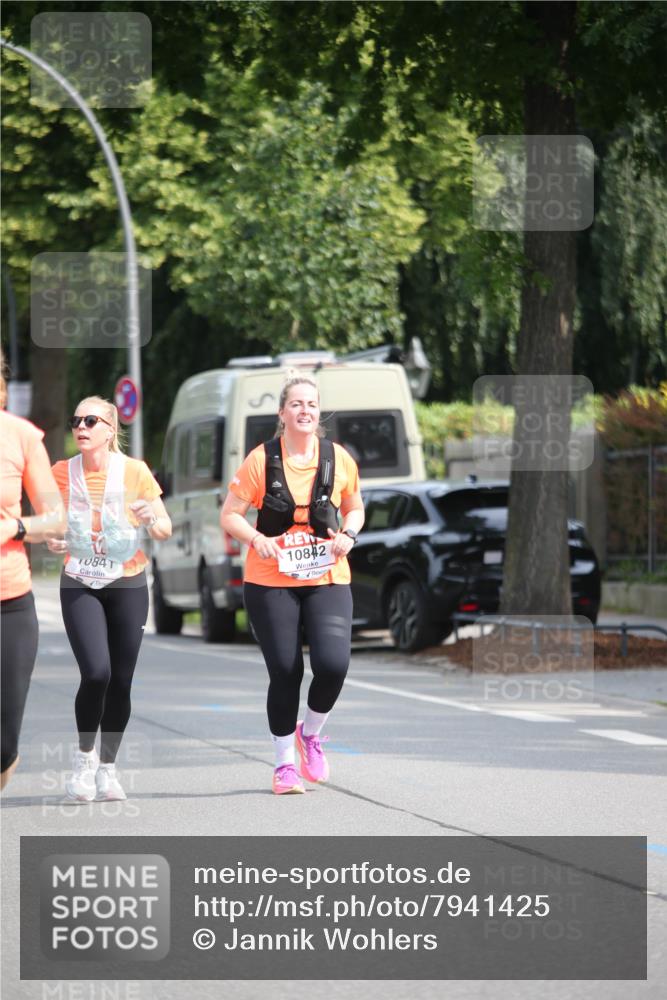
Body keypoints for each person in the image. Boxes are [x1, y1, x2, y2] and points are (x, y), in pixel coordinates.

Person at [221, 372, 364, 795]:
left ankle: (310, 733)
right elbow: (230, 515)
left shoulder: (338, 458)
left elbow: (355, 508)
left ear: (319, 413)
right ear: (282, 413)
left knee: (334, 665)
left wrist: (348, 535)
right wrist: (257, 540)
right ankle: (284, 765)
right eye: (296, 404)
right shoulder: (260, 460)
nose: (305, 411)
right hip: (271, 580)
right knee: (286, 671)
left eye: (312, 404)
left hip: (327, 576)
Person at [47, 396, 171, 802]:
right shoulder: (61, 473)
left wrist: (151, 517)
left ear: (110, 429)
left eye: (90, 421)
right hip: (80, 580)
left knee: (121, 679)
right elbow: (47, 524)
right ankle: (84, 761)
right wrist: (51, 539)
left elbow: (164, 527)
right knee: (96, 672)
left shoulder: (135, 471)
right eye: (76, 421)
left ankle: (108, 769)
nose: (81, 427)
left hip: (127, 582)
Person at [1, 360, 65, 790]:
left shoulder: (21, 436)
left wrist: (16, 527)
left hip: (9, 600)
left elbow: (56, 518)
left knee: (3, 745)